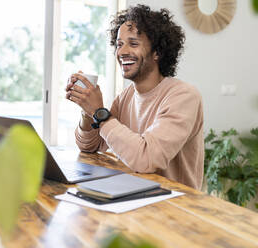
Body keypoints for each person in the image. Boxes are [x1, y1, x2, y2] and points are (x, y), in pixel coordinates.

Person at [65, 4, 204, 190]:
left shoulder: (184, 96)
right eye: (119, 44)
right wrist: (87, 110)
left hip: (174, 206)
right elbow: (90, 146)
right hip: (133, 196)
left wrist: (99, 112)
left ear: (157, 52)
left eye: (133, 43)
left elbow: (146, 159)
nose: (121, 52)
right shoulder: (126, 97)